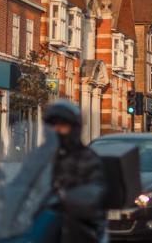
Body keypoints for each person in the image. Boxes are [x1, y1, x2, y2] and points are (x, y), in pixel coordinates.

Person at [44, 100, 107, 243]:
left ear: (74, 128)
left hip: (82, 226)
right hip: (48, 222)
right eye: (52, 125)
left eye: (62, 126)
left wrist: (71, 198)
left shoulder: (87, 158)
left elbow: (96, 190)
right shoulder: (43, 157)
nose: (56, 130)